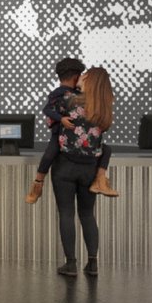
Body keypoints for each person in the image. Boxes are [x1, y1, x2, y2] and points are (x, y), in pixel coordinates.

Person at [49, 66, 114, 277]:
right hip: (90, 169)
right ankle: (93, 262)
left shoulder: (69, 100)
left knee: (66, 213)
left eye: (84, 75)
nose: (81, 77)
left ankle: (71, 264)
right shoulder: (103, 105)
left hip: (66, 165)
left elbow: (51, 121)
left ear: (89, 80)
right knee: (87, 214)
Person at [27, 57, 119, 204]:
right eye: (82, 74)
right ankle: (38, 182)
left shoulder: (75, 98)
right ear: (76, 76)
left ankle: (39, 181)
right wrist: (61, 119)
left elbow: (48, 119)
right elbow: (48, 111)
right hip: (72, 144)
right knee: (50, 153)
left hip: (68, 160)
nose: (83, 77)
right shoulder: (65, 95)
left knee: (66, 213)